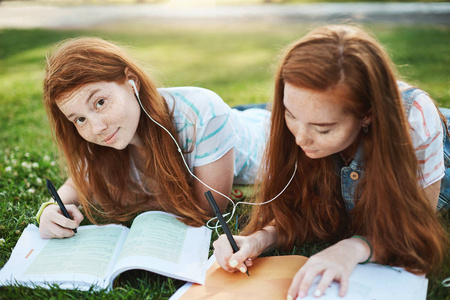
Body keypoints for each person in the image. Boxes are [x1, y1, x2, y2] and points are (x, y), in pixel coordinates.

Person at [213, 24, 448, 299]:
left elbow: (415, 230)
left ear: (367, 115)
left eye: (323, 128)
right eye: (290, 115)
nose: (301, 138)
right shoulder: (302, 117)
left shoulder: (414, 121)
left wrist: (353, 248)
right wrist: (259, 238)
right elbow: (302, 210)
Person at [37, 37, 270, 239]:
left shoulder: (204, 113)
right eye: (79, 119)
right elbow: (78, 184)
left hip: (268, 130)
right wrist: (49, 210)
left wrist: (133, 199)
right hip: (233, 118)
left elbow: (209, 208)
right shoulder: (109, 136)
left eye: (100, 102)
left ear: (132, 81)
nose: (97, 128)